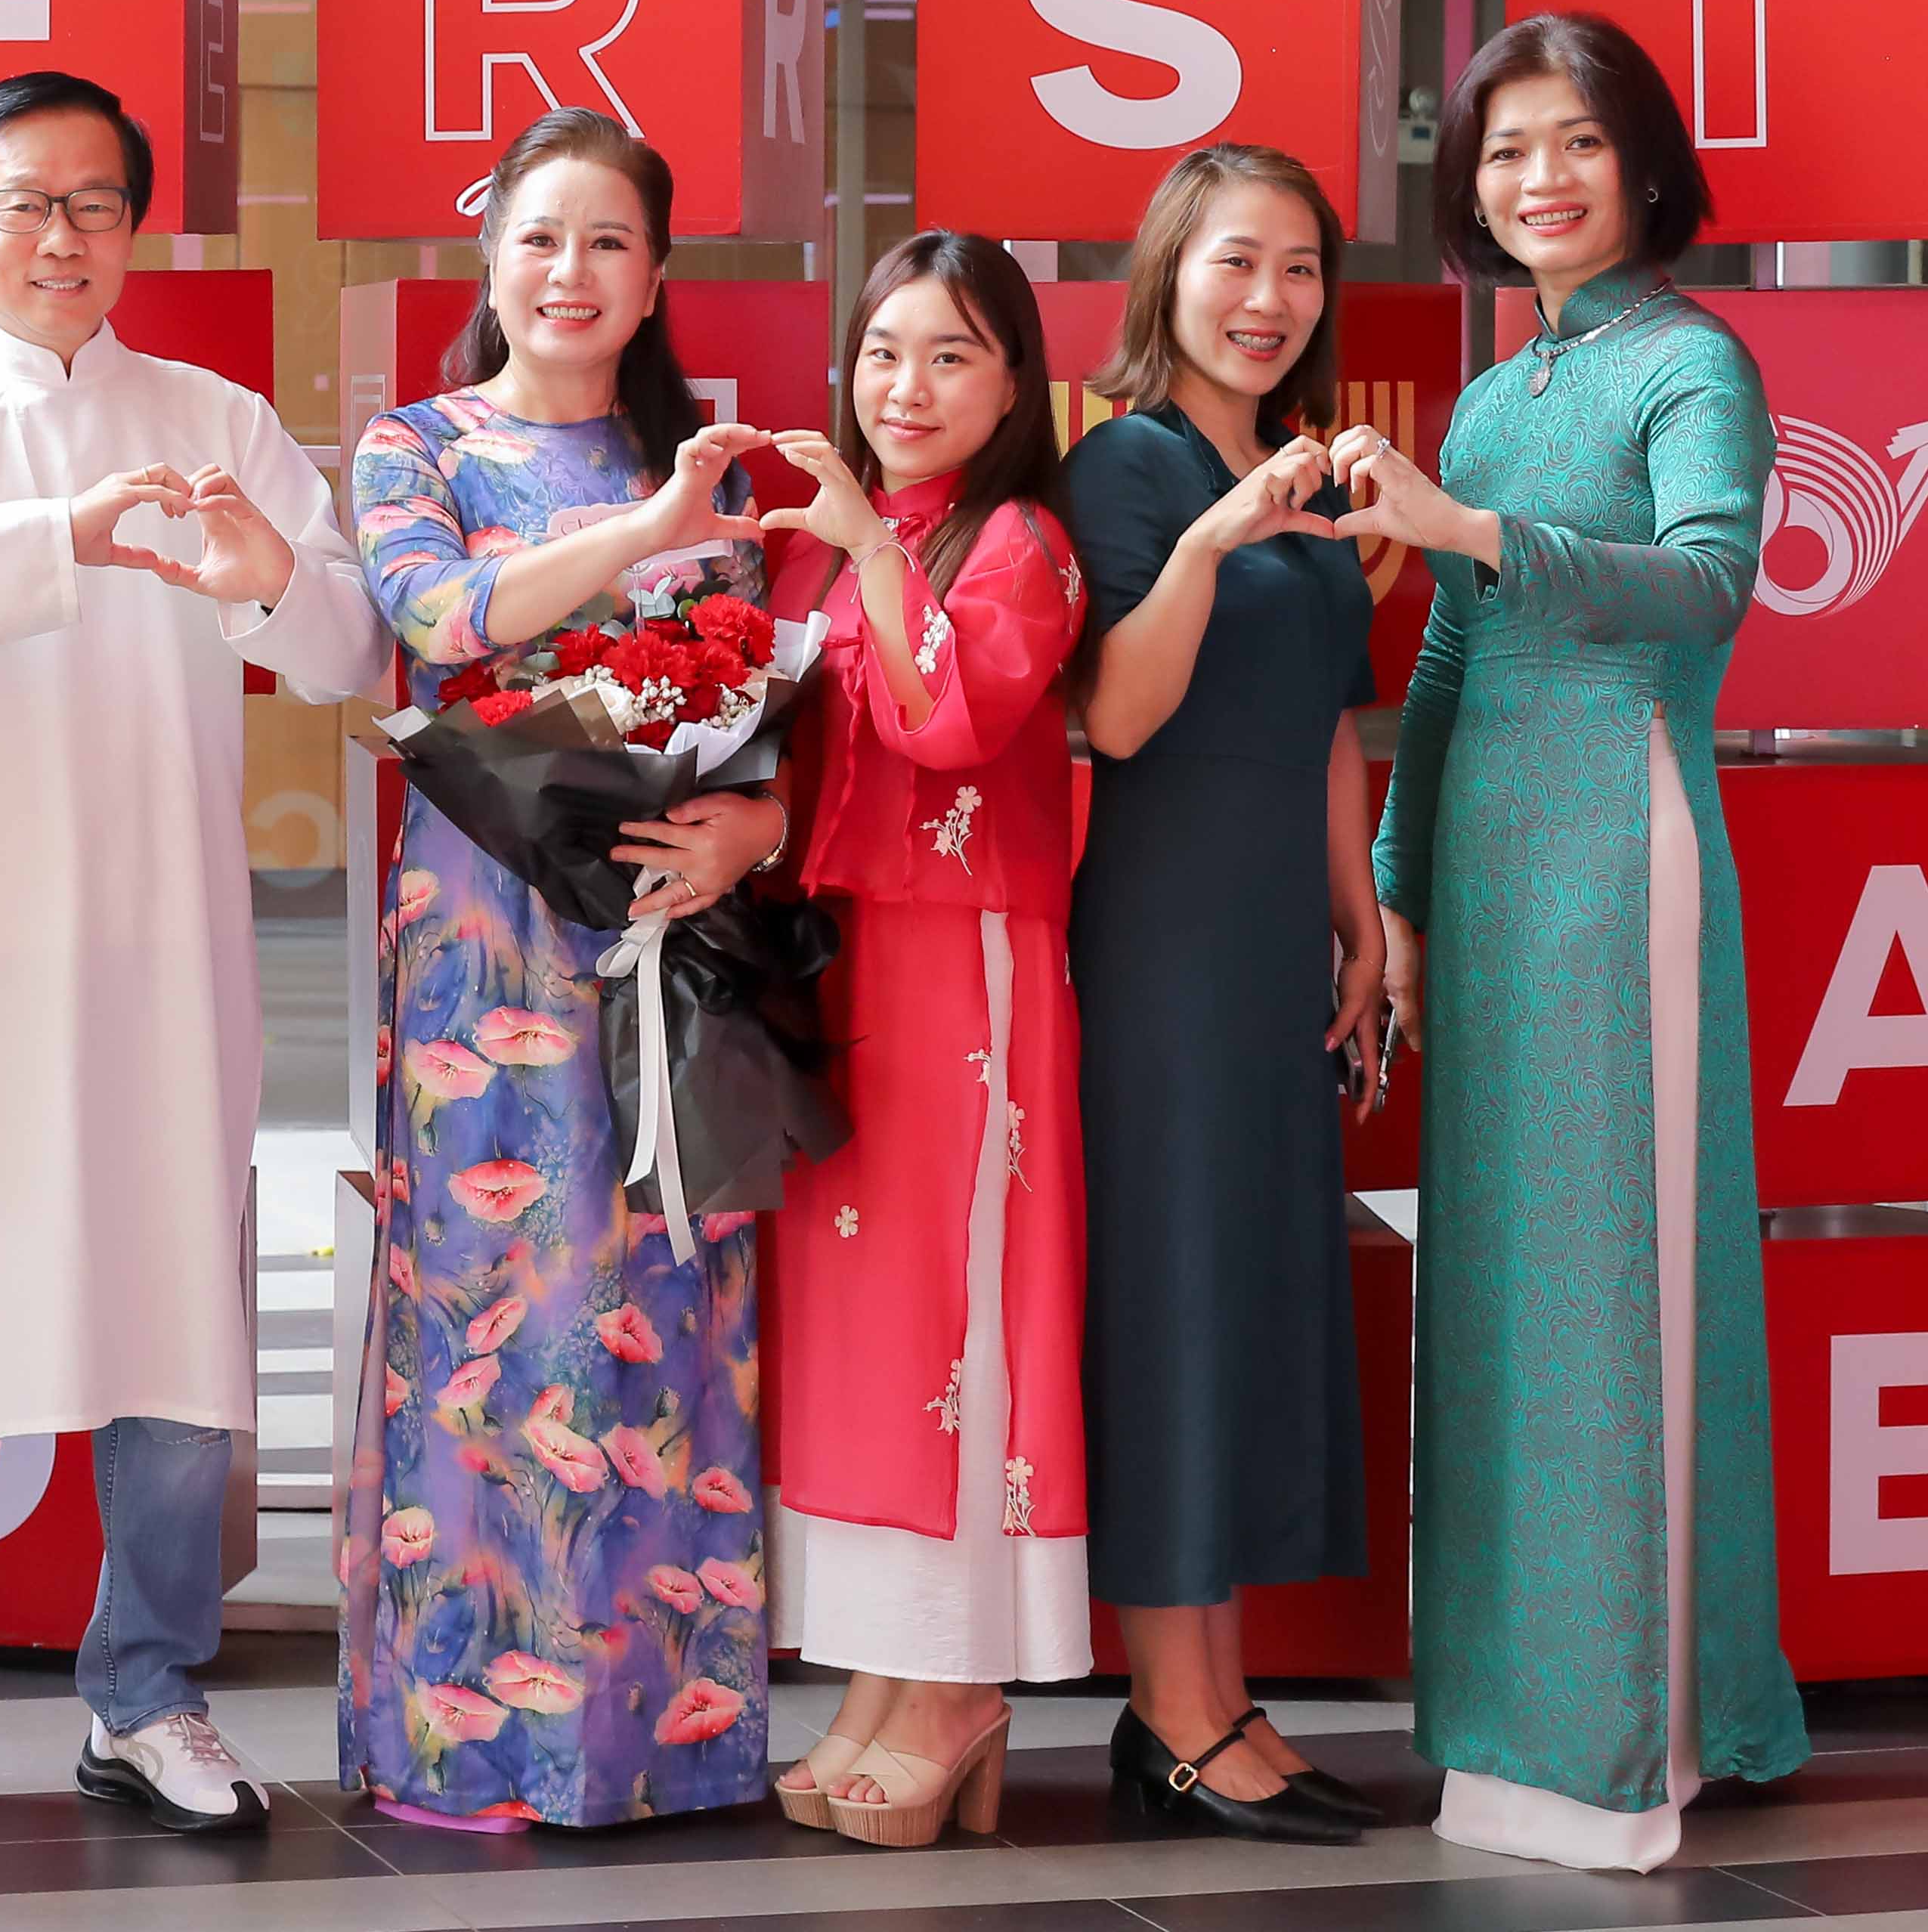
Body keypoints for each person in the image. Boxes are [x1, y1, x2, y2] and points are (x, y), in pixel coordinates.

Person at [0, 72, 385, 1844]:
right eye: (24, 202)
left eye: (95, 204)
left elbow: (348, 650)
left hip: (160, 937)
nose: (60, 237)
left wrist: (264, 575)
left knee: (169, 1320)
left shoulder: (214, 415)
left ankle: (147, 1693)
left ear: (135, 225)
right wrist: (61, 532)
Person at [1353, 14, 1809, 1870]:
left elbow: (1709, 584)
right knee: (1493, 1298)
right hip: (1482, 865)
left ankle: (1638, 1736)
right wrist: (1395, 885)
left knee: (1618, 1288)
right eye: (1502, 151)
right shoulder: (1490, 394)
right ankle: (1506, 1722)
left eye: (1573, 142)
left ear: (1643, 164)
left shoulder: (1692, 362)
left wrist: (1469, 526)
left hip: (1621, 851)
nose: (1536, 179)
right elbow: (1445, 658)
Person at [337, 110, 780, 1832]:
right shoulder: (416, 444)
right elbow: (442, 616)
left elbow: (768, 704)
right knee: (485, 1292)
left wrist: (751, 822)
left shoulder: (710, 466)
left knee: (664, 1294)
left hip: (666, 931)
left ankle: (664, 1744)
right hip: (483, 930)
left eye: (608, 242)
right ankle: (474, 1740)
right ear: (490, 258)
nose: (570, 272)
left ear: (656, 277)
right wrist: (650, 524)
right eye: (540, 237)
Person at [1064, 147, 1390, 1844]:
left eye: (1299, 268)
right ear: (1168, 275)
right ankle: (1170, 1714)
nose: (1269, 299)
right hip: (1164, 942)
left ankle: (1221, 1696)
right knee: (1174, 1301)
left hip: (1275, 944)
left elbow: (1330, 713)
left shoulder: (1309, 468)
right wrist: (1214, 531)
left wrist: (1362, 918)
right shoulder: (1127, 463)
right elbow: (1116, 717)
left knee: (1249, 1294)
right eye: (1235, 263)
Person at [758, 229, 1086, 1849]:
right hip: (843, 967)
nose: (907, 385)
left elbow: (950, 722)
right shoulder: (829, 539)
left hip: (969, 960)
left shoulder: (1022, 541)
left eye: (952, 353)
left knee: (961, 1308)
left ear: (1015, 383)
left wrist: (870, 566)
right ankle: (882, 1676)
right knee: (858, 1320)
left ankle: (959, 1685)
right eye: (884, 350)